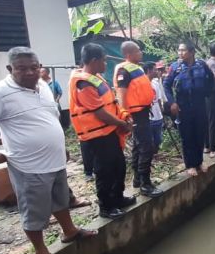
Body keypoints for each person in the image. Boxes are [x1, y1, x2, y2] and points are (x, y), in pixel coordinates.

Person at [0, 47, 97, 254]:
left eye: (34, 67)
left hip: (55, 160)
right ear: (10, 69)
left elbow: (50, 118)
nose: (29, 72)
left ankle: (70, 231)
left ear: (40, 67)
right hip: (28, 165)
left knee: (60, 200)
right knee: (35, 210)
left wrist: (62, 147)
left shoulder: (43, 87)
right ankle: (41, 252)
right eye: (21, 68)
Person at [69, 44, 135, 219]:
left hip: (109, 131)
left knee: (118, 166)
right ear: (94, 61)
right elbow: (99, 112)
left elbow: (110, 103)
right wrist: (121, 123)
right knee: (105, 171)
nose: (106, 64)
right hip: (97, 135)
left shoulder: (95, 78)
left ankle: (118, 198)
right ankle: (106, 206)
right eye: (104, 60)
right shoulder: (83, 83)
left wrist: (123, 115)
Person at [114, 41, 163, 197]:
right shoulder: (124, 70)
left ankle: (137, 179)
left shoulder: (137, 68)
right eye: (138, 51)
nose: (141, 53)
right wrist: (124, 114)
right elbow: (121, 93)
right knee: (146, 147)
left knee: (138, 146)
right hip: (135, 114)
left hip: (143, 112)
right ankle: (145, 184)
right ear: (129, 54)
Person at [163, 42, 213, 176]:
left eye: (183, 50)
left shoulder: (201, 65)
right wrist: (172, 103)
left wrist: (207, 92)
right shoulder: (175, 67)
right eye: (178, 50)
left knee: (199, 133)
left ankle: (199, 161)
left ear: (191, 52)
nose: (180, 53)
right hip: (183, 107)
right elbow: (166, 85)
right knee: (187, 136)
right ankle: (190, 164)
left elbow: (211, 78)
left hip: (200, 105)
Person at [143, 62, 167, 154]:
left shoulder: (155, 83)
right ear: (149, 71)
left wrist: (161, 111)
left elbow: (159, 98)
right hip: (148, 116)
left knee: (158, 139)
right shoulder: (143, 84)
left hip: (158, 115)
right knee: (149, 139)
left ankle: (155, 152)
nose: (157, 71)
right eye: (155, 69)